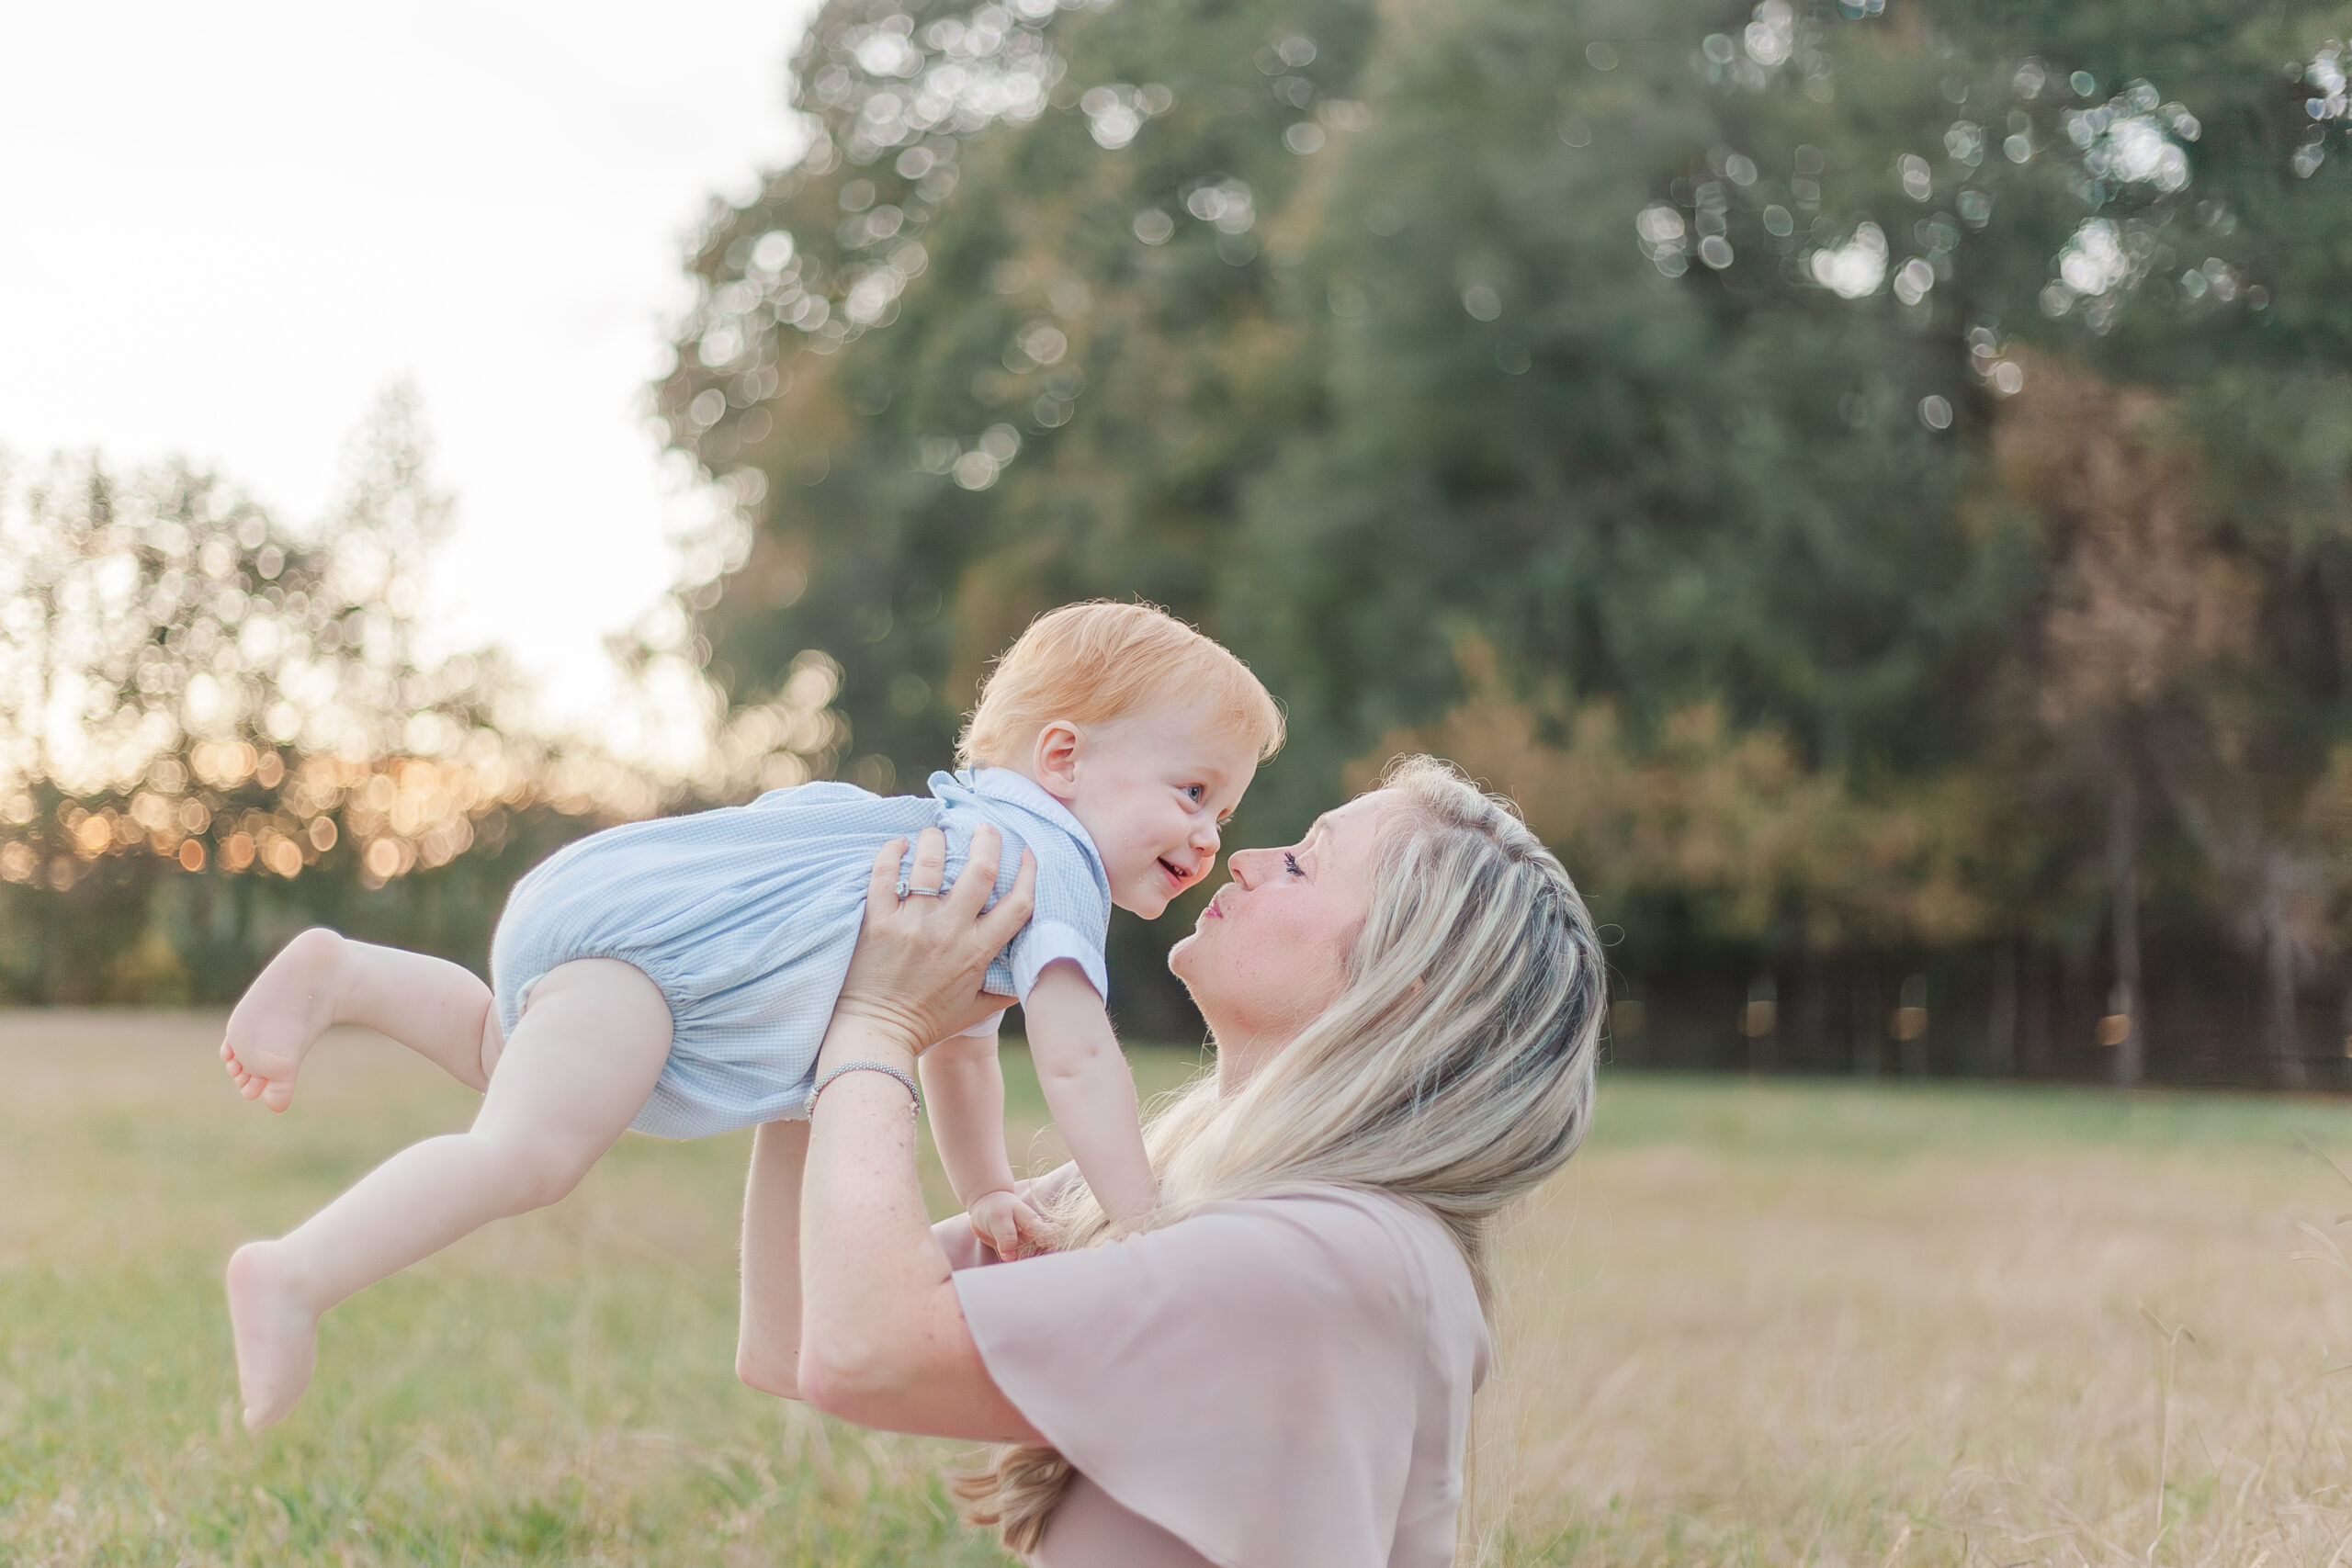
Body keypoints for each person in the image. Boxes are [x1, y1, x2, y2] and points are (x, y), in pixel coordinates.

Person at [214, 601, 1284, 1431]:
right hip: (658, 951)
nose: (1206, 836)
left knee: (505, 1051)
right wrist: (1142, 1221)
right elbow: (1079, 1059)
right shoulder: (1048, 863)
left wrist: (991, 1188)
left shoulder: (984, 847)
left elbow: (958, 1050)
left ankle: (346, 975)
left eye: (1224, 809)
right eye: (1191, 793)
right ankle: (295, 1272)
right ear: (1063, 760)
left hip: (622, 927)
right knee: (528, 1155)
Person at [740, 755, 1602, 1566]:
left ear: (1393, 992)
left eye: (1304, 864)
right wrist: (818, 1019)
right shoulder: (1196, 1196)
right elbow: (793, 1337)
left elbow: (864, 1354)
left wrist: (878, 1022)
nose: (1247, 859)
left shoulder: (1327, 1257)